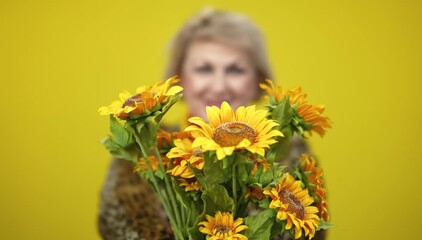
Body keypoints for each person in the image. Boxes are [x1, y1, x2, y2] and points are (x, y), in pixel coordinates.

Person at [98, 8, 326, 240]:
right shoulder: (148, 149)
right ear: (179, 78)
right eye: (204, 69)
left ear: (258, 80)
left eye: (235, 70)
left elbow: (309, 231)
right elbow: (120, 223)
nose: (219, 86)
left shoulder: (288, 151)